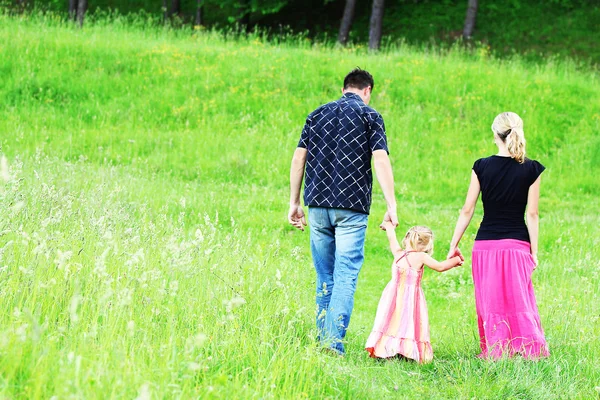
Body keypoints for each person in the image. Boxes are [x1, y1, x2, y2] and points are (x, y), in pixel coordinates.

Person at [288, 68, 398, 355]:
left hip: (318, 206)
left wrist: (294, 202)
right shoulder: (370, 116)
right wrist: (391, 205)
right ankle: (332, 343)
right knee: (346, 274)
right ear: (367, 90)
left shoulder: (317, 114)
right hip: (351, 208)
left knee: (325, 275)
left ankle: (323, 337)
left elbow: (299, 157)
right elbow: (381, 159)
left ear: (344, 88)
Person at [447, 111, 550, 360]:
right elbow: (532, 214)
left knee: (490, 301)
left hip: (485, 246)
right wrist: (534, 251)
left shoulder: (481, 166)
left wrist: (453, 245)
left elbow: (467, 209)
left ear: (495, 134)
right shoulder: (531, 169)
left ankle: (496, 350)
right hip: (517, 245)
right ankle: (527, 350)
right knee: (520, 299)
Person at [365, 223, 463, 363]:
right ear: (426, 244)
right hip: (410, 298)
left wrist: (388, 226)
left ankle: (388, 350)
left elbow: (391, 237)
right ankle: (405, 351)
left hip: (393, 295)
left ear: (406, 239)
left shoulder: (398, 253)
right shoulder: (421, 257)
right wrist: (457, 260)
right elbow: (440, 267)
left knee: (392, 321)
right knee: (408, 322)